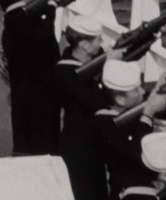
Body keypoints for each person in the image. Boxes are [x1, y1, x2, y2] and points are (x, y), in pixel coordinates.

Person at [2, 0, 67, 155]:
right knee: (36, 145)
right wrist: (52, 3)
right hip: (33, 94)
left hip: (39, 90)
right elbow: (42, 33)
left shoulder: (26, 10)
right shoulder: (17, 18)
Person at [55, 15, 122, 200]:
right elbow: (95, 101)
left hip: (95, 144)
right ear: (84, 45)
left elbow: (126, 52)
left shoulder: (93, 58)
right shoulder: (65, 72)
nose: (102, 43)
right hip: (78, 147)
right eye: (98, 39)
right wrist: (108, 65)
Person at [94, 60, 166, 200]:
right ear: (120, 100)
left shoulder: (124, 109)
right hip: (124, 190)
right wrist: (148, 113)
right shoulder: (104, 123)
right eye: (136, 89)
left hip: (140, 177)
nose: (142, 91)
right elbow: (137, 152)